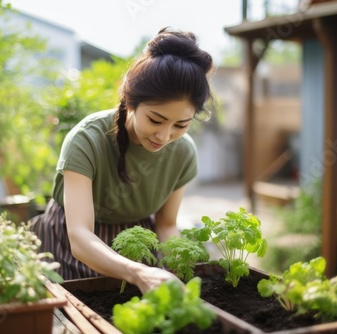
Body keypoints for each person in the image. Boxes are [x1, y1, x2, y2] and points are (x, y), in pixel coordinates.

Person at [30, 27, 214, 294]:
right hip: (68, 249)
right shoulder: (87, 139)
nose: (165, 135)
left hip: (138, 248)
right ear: (130, 102)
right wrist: (138, 273)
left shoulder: (183, 152)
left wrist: (180, 270)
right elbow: (80, 238)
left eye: (180, 124)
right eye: (155, 120)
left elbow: (166, 224)